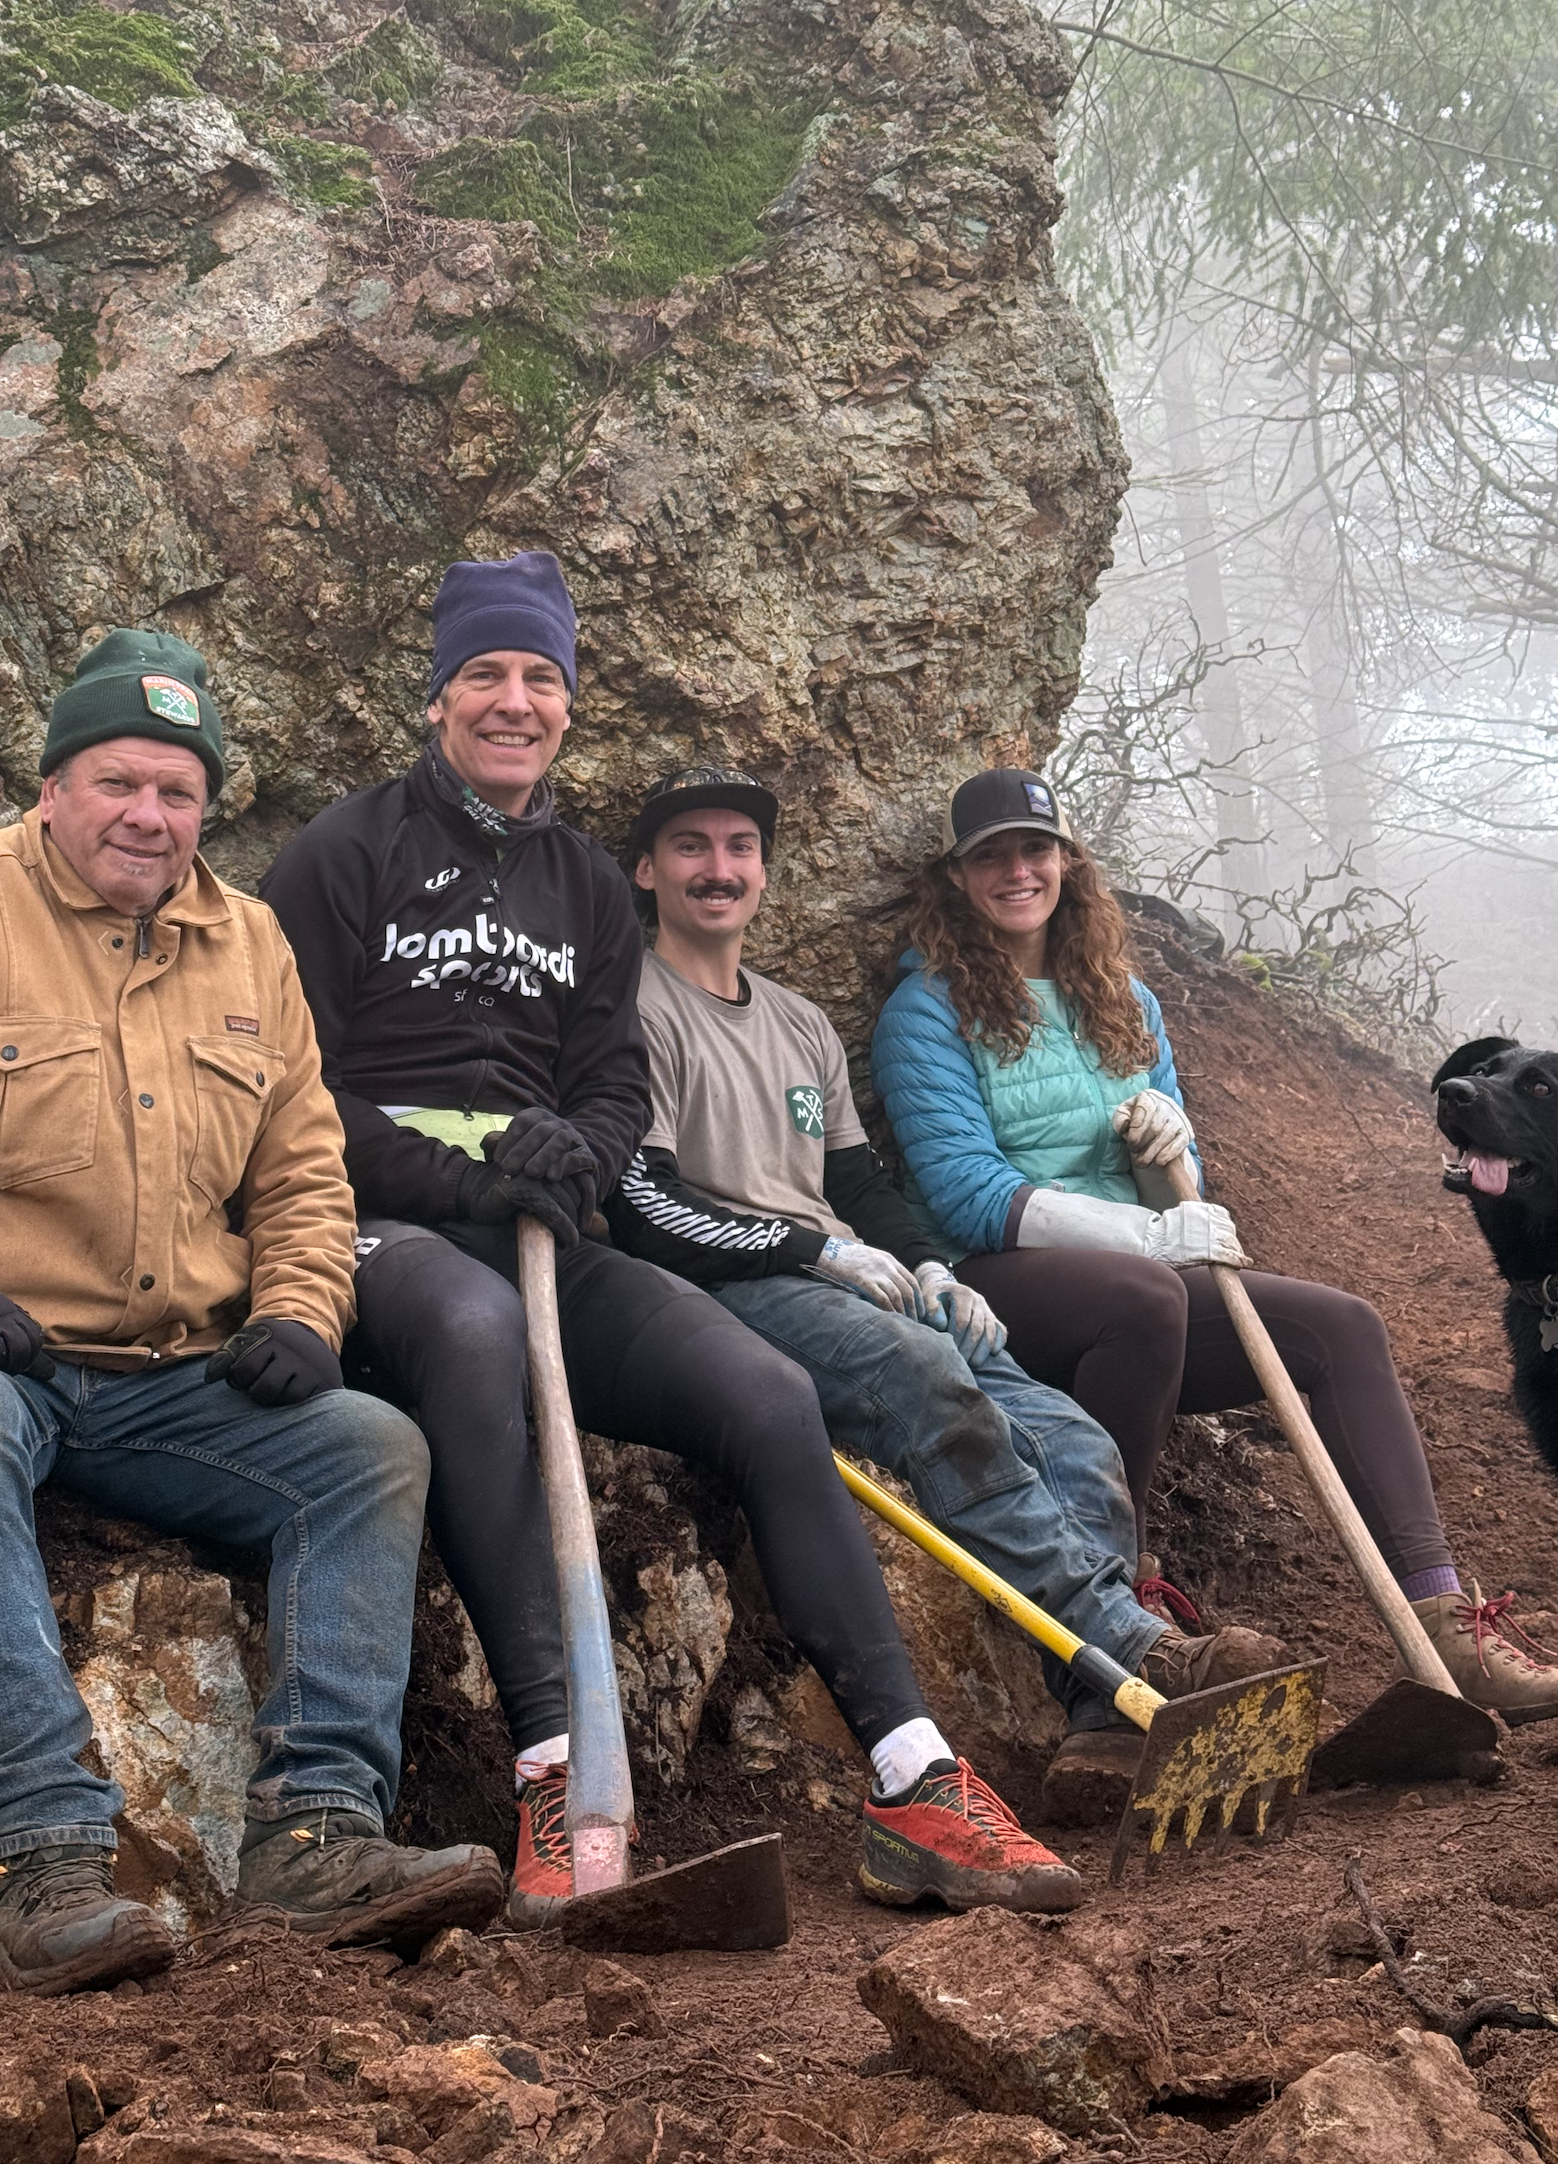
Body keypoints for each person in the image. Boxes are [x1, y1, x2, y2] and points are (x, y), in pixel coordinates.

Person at [260, 552, 1085, 1921]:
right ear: (437, 698)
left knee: (767, 1393)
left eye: (541, 678)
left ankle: (912, 1773)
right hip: (377, 1227)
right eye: (486, 675)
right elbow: (288, 1086)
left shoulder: (587, 885)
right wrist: (460, 1175)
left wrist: (576, 1151)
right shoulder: (341, 856)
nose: (514, 701)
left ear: (568, 705)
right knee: (471, 1344)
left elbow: (611, 1080)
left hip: (544, 1225)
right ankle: (549, 1767)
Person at [0, 628, 506, 1995]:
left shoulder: (251, 945)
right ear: (54, 786)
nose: (147, 816)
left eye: (177, 792)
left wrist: (299, 1309)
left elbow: (300, 1166)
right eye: (119, 782)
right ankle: (46, 1866)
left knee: (371, 1449)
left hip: (164, 1375)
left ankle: (316, 1841)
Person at [605, 765, 1286, 1814]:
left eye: (739, 848)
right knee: (926, 1373)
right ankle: (1127, 1645)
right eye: (690, 847)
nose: (718, 868)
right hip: (732, 1286)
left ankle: (1103, 1726)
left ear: (764, 873)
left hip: (861, 1278)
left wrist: (923, 1261)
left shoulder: (796, 1023)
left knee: (1070, 1436)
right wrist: (810, 1253)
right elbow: (642, 1202)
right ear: (647, 871)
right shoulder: (628, 1011)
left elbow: (856, 1183)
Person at [870, 766, 1558, 1723]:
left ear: (1069, 862)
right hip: (998, 1292)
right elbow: (968, 1195)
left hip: (1134, 1288)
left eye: (1037, 849)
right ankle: (1114, 1620)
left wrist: (1163, 1151)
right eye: (992, 856)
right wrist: (1149, 1230)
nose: (1017, 871)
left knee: (1342, 1327)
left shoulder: (1124, 1000)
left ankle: (1444, 1623)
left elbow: (1178, 1177)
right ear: (959, 876)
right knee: (1142, 1297)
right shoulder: (926, 1013)